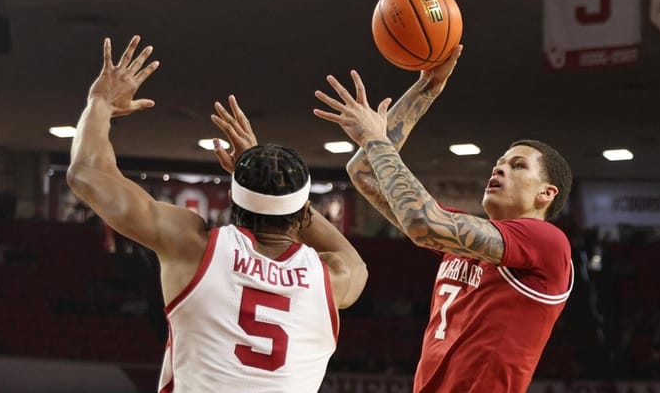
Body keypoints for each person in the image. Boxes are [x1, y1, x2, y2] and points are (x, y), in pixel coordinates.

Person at [66, 35, 368, 392]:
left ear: (233, 198)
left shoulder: (193, 247)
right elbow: (354, 261)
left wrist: (100, 102)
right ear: (303, 210)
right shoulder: (334, 278)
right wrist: (275, 186)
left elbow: (87, 174)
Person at [313, 45, 574, 392]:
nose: (499, 169)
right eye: (499, 163)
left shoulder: (547, 242)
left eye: (518, 165)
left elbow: (422, 224)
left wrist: (376, 138)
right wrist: (426, 89)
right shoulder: (463, 237)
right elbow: (363, 172)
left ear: (546, 193)